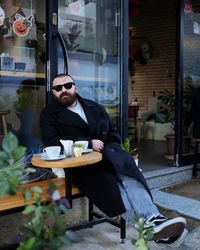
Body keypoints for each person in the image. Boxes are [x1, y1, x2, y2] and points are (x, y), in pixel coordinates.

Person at [40, 73, 187, 247]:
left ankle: (155, 219)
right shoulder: (49, 115)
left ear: (75, 86)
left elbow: (113, 132)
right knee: (114, 189)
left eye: (67, 85)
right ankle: (153, 228)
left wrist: (114, 147)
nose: (63, 90)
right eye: (58, 88)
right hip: (82, 166)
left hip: (110, 155)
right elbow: (52, 142)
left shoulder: (94, 107)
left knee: (129, 176)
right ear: (53, 92)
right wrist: (88, 143)